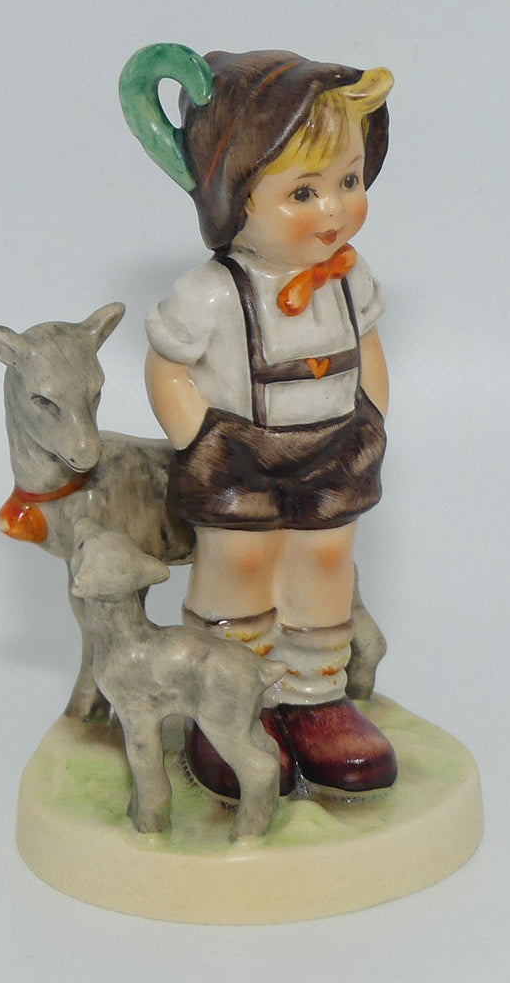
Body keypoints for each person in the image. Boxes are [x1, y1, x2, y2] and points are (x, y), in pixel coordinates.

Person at [125, 47, 397, 796]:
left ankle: (315, 696)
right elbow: (167, 366)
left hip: (334, 443)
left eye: (348, 182)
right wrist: (199, 438)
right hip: (241, 450)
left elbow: (369, 344)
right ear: (232, 198)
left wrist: (372, 411)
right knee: (240, 563)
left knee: (326, 557)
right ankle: (230, 702)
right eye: (304, 192)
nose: (335, 210)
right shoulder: (213, 293)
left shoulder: (351, 277)